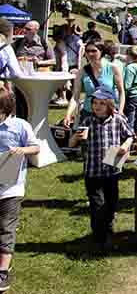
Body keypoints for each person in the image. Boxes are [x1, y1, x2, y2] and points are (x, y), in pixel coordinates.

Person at [68, 86, 134, 247]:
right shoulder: (88, 121)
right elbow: (71, 144)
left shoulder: (118, 119)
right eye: (95, 103)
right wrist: (76, 137)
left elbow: (130, 135)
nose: (97, 106)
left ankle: (108, 232)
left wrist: (125, 146)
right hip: (93, 171)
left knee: (111, 203)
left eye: (102, 103)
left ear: (110, 105)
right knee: (97, 205)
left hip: (112, 169)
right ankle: (98, 239)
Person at [0, 89, 40, 292]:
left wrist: (21, 150)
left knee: (6, 228)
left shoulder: (20, 126)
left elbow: (35, 147)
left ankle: (3, 271)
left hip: (11, 188)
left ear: (5, 109)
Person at [63, 42, 125, 127]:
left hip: (108, 114)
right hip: (88, 113)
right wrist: (68, 114)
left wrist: (120, 111)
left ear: (101, 51)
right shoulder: (82, 71)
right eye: (87, 51)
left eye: (93, 51)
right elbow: (75, 96)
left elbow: (121, 92)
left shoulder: (113, 68)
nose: (90, 54)